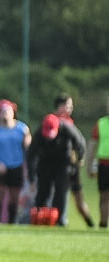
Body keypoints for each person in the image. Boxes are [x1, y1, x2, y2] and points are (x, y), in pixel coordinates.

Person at [0, 100, 28, 224]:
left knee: (14, 196)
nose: (5, 114)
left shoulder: (22, 129)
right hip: (0, 166)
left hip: (16, 166)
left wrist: (26, 167)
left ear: (13, 113)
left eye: (8, 111)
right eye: (2, 112)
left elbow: (28, 149)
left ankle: (12, 221)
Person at [53, 96, 94, 227]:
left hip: (71, 166)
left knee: (78, 199)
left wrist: (80, 158)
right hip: (57, 166)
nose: (71, 108)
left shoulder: (69, 122)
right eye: (68, 105)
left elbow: (80, 142)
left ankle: (91, 225)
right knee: (60, 194)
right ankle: (60, 221)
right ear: (60, 106)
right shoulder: (53, 121)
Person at [28, 112, 73, 226]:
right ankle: (39, 218)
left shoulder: (67, 129)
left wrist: (79, 159)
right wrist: (31, 177)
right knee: (43, 192)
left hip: (62, 163)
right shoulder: (39, 134)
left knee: (60, 191)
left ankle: (59, 220)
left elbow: (80, 143)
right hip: (45, 163)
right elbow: (31, 155)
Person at [93, 98, 109, 229]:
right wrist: (89, 164)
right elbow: (92, 144)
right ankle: (103, 223)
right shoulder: (101, 123)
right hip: (103, 164)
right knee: (104, 195)